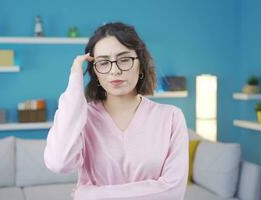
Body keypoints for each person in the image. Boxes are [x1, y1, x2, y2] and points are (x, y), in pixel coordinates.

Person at [44, 22, 189, 200]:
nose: (115, 70)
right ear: (95, 72)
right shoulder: (83, 118)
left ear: (141, 64)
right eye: (103, 62)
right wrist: (75, 78)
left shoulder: (171, 117)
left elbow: (172, 192)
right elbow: (59, 163)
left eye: (124, 59)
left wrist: (89, 195)